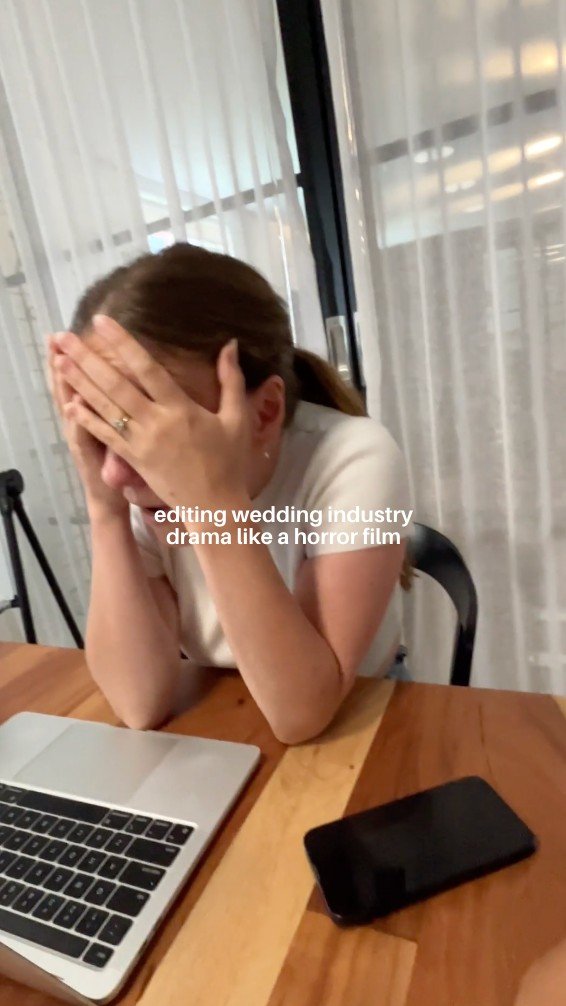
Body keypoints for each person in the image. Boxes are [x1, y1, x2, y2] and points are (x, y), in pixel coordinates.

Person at [47, 243, 413, 744]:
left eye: (155, 426)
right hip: (220, 706)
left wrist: (212, 504)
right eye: (105, 428)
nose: (115, 473)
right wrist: (104, 510)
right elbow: (137, 702)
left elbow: (302, 712)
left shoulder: (359, 454)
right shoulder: (130, 476)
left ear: (264, 412)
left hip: (357, 718)